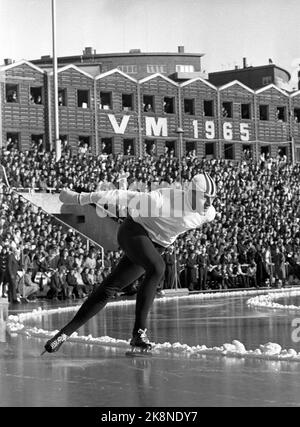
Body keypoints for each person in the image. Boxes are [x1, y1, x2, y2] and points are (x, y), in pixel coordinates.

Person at [42, 172, 217, 354]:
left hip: (155, 246)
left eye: (213, 199)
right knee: (158, 268)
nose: (210, 204)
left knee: (110, 288)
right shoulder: (162, 200)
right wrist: (79, 198)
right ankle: (139, 333)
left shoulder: (208, 214)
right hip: (133, 232)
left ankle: (62, 335)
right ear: (191, 193)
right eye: (206, 198)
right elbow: (120, 196)